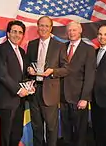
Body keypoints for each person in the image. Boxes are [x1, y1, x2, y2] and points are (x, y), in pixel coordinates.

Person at [27, 16, 68, 146]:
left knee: (51, 128)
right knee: (37, 127)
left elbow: (66, 69)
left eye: (46, 26)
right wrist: (28, 69)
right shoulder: (32, 44)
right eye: (41, 25)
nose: (43, 28)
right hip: (34, 91)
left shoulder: (59, 46)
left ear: (51, 28)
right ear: (37, 27)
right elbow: (28, 64)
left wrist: (53, 72)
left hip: (50, 92)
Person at [60, 21, 96, 146]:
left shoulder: (89, 49)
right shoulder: (62, 47)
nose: (71, 33)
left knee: (80, 132)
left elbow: (90, 75)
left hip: (79, 98)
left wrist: (85, 98)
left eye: (74, 30)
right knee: (66, 131)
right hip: (63, 97)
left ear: (80, 31)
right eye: (69, 30)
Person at [0, 20, 29, 146]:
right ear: (8, 34)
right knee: (6, 136)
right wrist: (19, 90)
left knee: (16, 134)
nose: (17, 35)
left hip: (20, 102)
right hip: (7, 101)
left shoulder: (21, 51)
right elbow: (2, 74)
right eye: (14, 32)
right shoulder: (1, 49)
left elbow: (22, 75)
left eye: (20, 32)